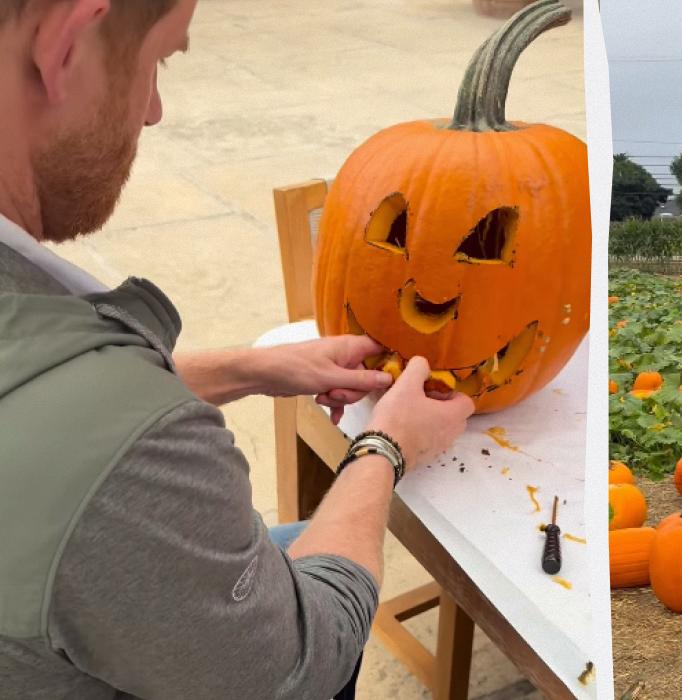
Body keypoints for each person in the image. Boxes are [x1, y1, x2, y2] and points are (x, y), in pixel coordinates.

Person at [0, 2, 475, 698]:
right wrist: (386, 448)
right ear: (65, 44)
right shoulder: (128, 461)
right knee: (331, 602)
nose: (154, 110)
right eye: (158, 60)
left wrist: (252, 368)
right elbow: (299, 669)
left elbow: (46, 411)